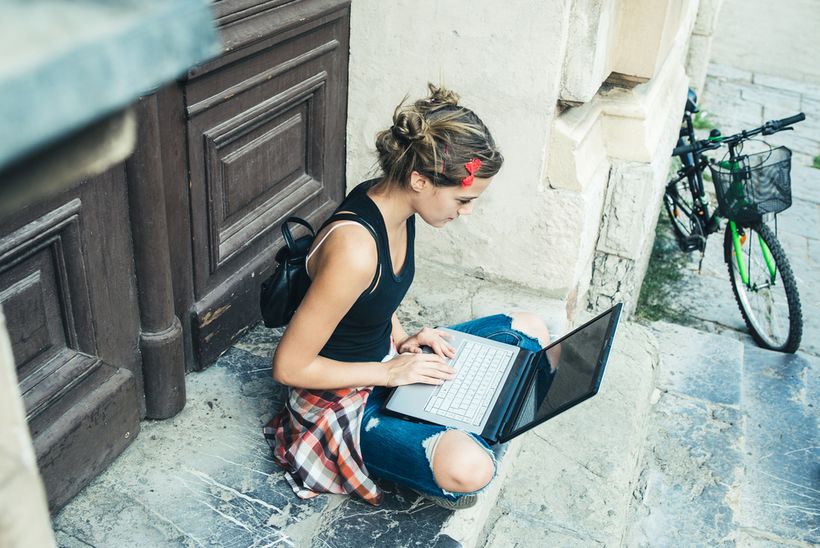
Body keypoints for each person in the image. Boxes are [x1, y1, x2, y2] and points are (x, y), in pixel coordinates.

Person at [264, 84, 551, 510]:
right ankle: (458, 424)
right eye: (463, 199)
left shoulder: (396, 204)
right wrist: (390, 372)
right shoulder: (354, 250)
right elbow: (288, 366)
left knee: (529, 327)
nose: (466, 211)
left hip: (387, 363)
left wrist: (402, 339)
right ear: (420, 180)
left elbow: (374, 297)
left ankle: (460, 414)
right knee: (471, 469)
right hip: (340, 402)